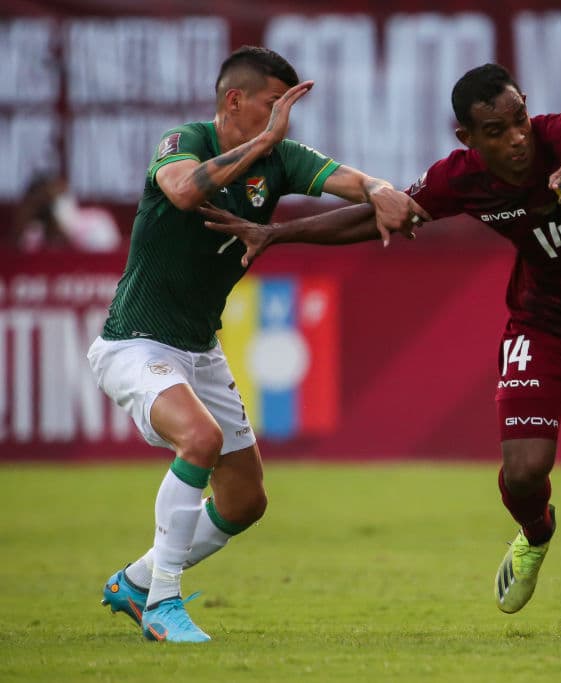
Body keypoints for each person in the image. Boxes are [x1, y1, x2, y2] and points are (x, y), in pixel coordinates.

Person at [201, 63, 561, 639]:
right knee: (525, 473)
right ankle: (536, 532)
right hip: (545, 325)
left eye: (519, 120)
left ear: (528, 108)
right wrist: (277, 233)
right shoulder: (460, 178)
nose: (517, 138)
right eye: (497, 131)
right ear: (469, 139)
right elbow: (385, 212)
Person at [87, 45, 427, 643]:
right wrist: (266, 140)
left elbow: (350, 180)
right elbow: (185, 192)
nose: (282, 120)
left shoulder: (283, 159)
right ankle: (163, 605)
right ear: (234, 100)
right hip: (135, 342)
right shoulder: (183, 141)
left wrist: (381, 189)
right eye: (274, 105)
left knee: (244, 501)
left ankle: (137, 580)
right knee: (199, 440)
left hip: (199, 348)